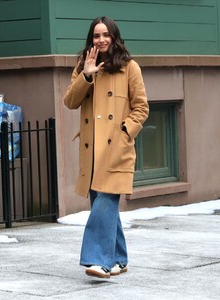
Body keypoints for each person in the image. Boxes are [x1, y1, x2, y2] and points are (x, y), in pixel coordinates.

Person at [64, 16, 149, 279]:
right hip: (92, 152)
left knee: (104, 205)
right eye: (96, 35)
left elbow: (141, 107)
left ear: (114, 37)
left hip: (117, 148)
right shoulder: (83, 67)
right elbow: (70, 102)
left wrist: (126, 132)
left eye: (105, 35)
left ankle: (99, 260)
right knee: (105, 205)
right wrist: (86, 76)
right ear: (91, 39)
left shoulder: (130, 67)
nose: (101, 40)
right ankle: (119, 259)